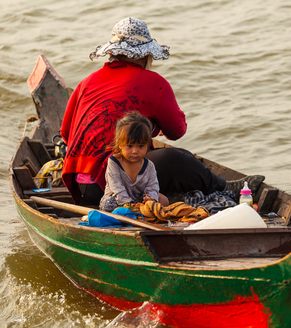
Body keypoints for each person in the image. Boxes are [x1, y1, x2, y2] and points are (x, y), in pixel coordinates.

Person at [60, 17, 264, 206]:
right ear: (146, 54)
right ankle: (225, 187)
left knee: (172, 155)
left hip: (78, 183)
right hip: (110, 183)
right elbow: (177, 131)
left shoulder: (87, 81)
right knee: (177, 159)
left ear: (113, 52)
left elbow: (66, 133)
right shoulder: (154, 83)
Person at [99, 111, 169, 212]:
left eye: (141, 146)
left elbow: (152, 186)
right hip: (119, 200)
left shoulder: (149, 166)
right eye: (130, 146)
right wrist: (129, 205)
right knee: (109, 204)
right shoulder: (114, 162)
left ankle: (141, 211)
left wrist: (150, 199)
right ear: (120, 144)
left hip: (138, 201)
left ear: (148, 145)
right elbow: (117, 188)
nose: (135, 151)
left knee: (163, 200)